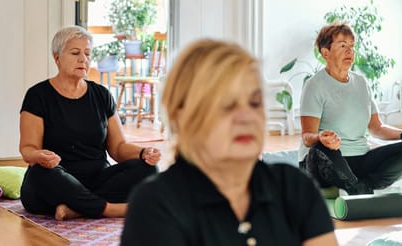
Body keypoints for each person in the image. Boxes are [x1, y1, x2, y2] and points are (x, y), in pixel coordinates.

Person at [121, 39, 337, 246]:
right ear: (182, 116)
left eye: (254, 103)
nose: (246, 117)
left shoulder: (294, 188)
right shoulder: (156, 205)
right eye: (227, 104)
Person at [19, 25, 160, 220]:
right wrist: (39, 155)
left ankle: (77, 208)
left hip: (97, 180)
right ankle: (111, 209)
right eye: (75, 53)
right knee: (40, 174)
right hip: (57, 179)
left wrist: (143, 153)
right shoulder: (38, 95)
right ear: (57, 58)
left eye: (87, 53)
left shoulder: (102, 94)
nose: (83, 59)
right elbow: (28, 149)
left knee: (148, 169)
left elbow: (118, 148)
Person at [299, 23, 402, 195]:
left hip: (358, 160)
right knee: (319, 149)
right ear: (325, 52)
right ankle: (358, 189)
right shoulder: (314, 85)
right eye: (342, 45)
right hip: (325, 162)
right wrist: (320, 137)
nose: (350, 51)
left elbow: (376, 127)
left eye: (352, 46)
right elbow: (307, 137)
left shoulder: (361, 83)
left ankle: (361, 186)